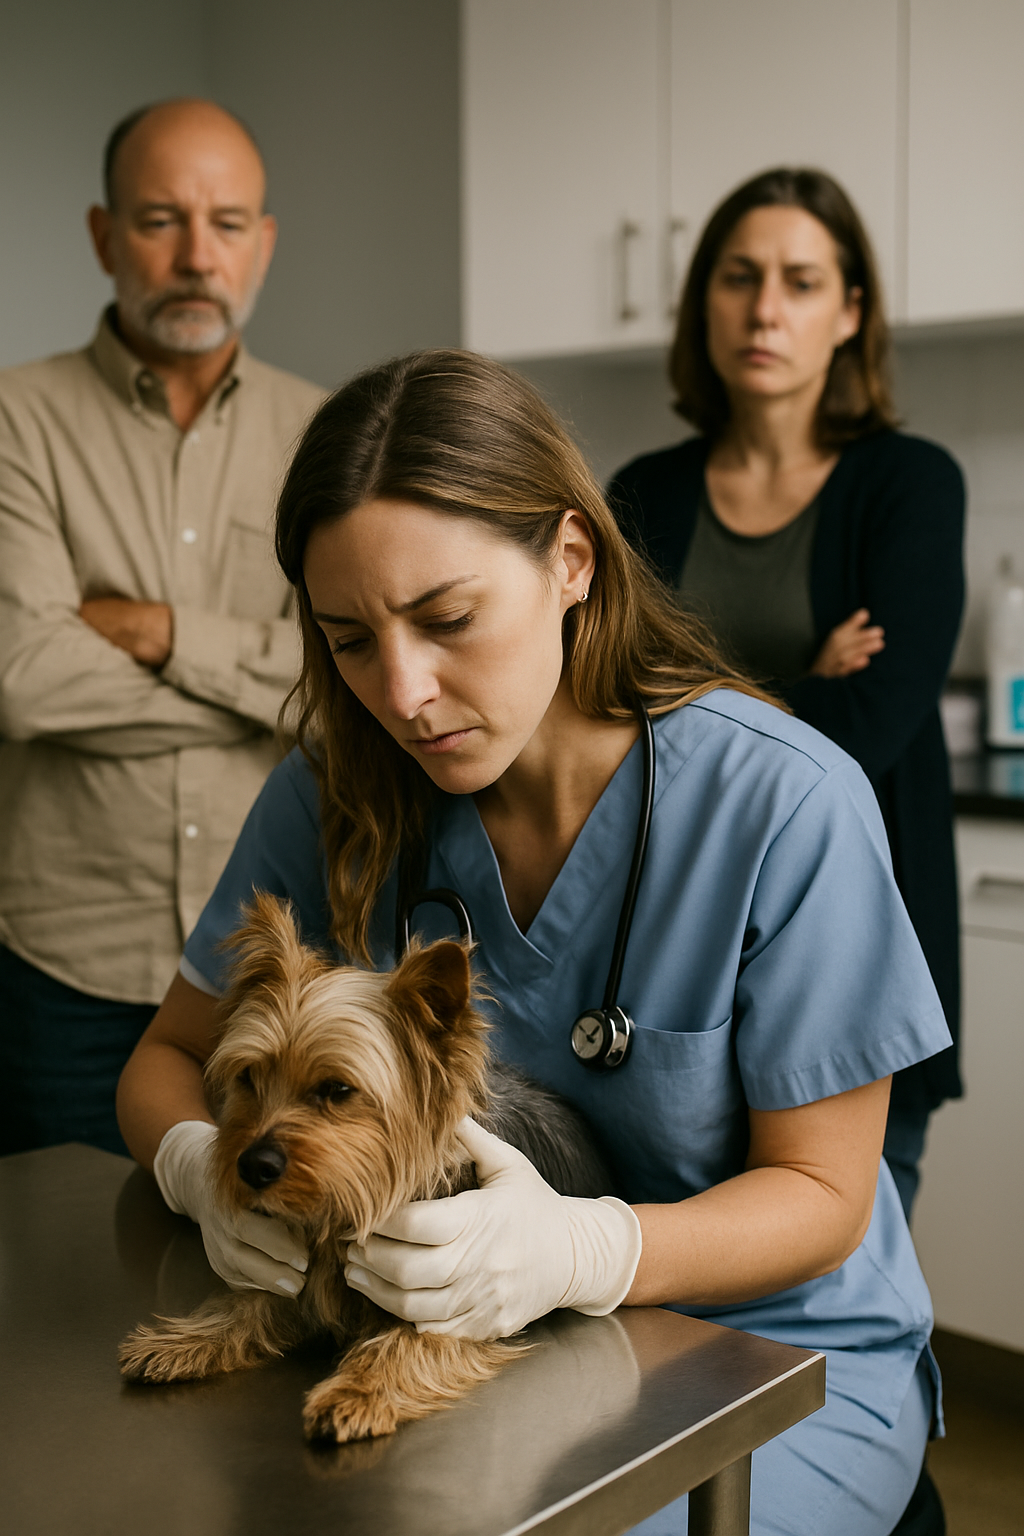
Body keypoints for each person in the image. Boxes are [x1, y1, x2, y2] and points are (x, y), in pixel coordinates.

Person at [118, 350, 950, 1536]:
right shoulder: (335, 793)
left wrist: (585, 1251)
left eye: (446, 618)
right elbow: (162, 1062)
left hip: (769, 1354)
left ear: (570, 560)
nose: (400, 692)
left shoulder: (779, 804)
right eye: (349, 638)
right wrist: (203, 1169)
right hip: (437, 1334)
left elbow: (824, 1196)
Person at [608, 168, 965, 1221]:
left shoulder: (908, 484)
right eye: (739, 277)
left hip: (854, 946)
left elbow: (877, 724)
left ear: (849, 314)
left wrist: (689, 697)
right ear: (702, 303)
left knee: (844, 1278)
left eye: (801, 282)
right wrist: (801, 684)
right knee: (683, 1291)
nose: (766, 308)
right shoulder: (642, 493)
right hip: (669, 947)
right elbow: (602, 706)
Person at [0, 99, 323, 1157]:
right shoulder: (16, 421)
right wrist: (249, 687)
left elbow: (340, 695)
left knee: (253, 1286)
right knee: (57, 1278)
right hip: (64, 965)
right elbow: (27, 678)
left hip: (272, 975)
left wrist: (158, 632)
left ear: (266, 243)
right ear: (102, 235)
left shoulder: (326, 432)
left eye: (228, 224)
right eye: (158, 220)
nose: (197, 256)